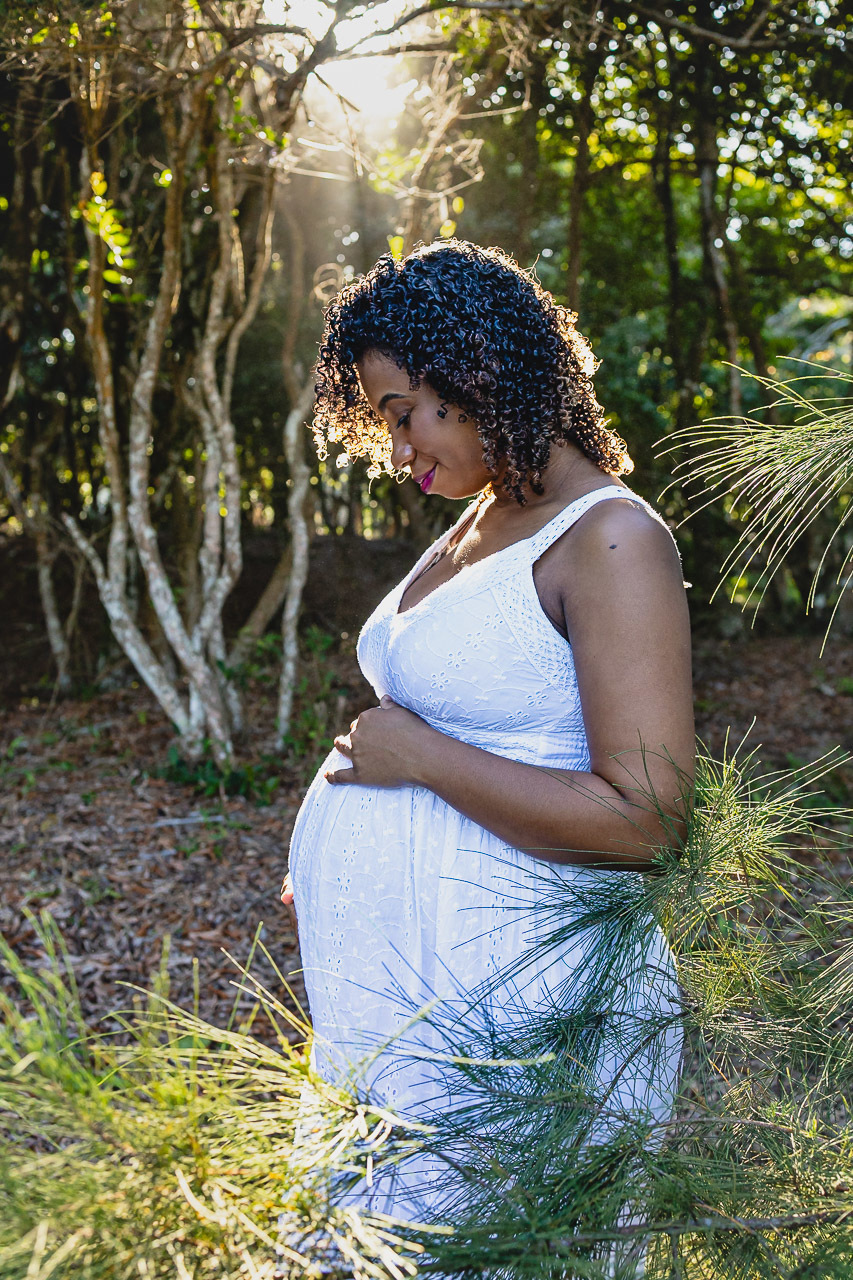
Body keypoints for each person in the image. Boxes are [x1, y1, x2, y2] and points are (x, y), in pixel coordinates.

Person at [280, 240, 693, 1225]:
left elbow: (647, 820)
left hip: (524, 1014)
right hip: (415, 999)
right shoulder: (482, 518)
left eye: (400, 413)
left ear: (476, 372)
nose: (398, 451)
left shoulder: (610, 539)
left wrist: (418, 760)